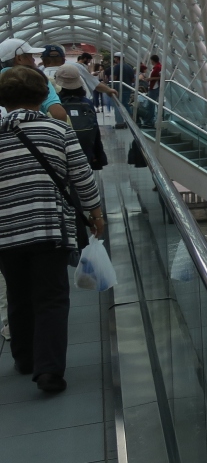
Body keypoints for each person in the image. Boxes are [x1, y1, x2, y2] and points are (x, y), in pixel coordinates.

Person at [0, 66, 105, 394]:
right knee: (51, 298)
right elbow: (82, 176)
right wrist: (95, 213)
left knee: (18, 293)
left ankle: (24, 358)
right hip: (50, 229)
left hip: (6, 232)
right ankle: (49, 371)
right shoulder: (58, 130)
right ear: (44, 95)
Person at [0, 39, 68, 123]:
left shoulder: (2, 80)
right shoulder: (36, 79)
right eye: (30, 56)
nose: (33, 60)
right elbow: (59, 113)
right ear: (19, 59)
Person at [54, 68, 107, 172]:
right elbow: (95, 130)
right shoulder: (87, 102)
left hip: (61, 152)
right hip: (84, 152)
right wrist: (98, 155)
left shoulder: (55, 104)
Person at [107, 53, 136, 129]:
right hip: (127, 88)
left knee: (118, 105)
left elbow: (114, 78)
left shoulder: (117, 66)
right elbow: (133, 80)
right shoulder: (129, 67)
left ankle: (120, 122)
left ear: (117, 58)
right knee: (125, 104)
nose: (114, 59)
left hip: (119, 89)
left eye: (115, 58)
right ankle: (130, 120)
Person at [139, 54, 161, 128]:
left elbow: (161, 77)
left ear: (153, 60)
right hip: (153, 87)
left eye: (151, 60)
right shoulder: (156, 67)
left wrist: (150, 79)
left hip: (154, 88)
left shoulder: (158, 67)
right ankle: (149, 120)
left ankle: (149, 121)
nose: (151, 62)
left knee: (150, 105)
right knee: (150, 105)